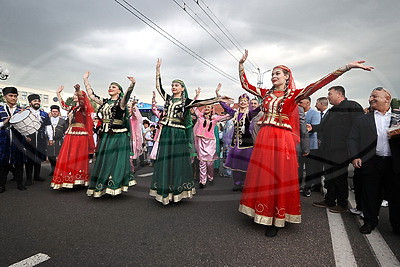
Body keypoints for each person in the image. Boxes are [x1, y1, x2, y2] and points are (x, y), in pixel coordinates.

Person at [238, 49, 373, 237]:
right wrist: (241, 65)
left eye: (277, 73)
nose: (273, 76)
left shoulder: (295, 94)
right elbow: (246, 85)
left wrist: (346, 67)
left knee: (279, 175)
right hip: (265, 137)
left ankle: (276, 218)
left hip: (281, 139)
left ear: (287, 77)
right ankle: (261, 211)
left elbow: (319, 83)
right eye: (272, 74)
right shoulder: (265, 93)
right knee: (263, 174)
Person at [150, 58, 223, 205]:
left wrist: (217, 98)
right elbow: (159, 88)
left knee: (177, 161)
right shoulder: (168, 99)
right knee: (165, 160)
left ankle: (177, 190)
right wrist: (158, 71)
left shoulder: (186, 102)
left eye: (176, 85)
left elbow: (201, 103)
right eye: (172, 85)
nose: (173, 87)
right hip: (166, 133)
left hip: (178, 133)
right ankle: (165, 189)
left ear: (182, 88)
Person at [348, 87, 400, 235]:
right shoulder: (362, 119)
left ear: (387, 98)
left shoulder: (398, 117)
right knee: (370, 194)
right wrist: (355, 156)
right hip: (371, 162)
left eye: (375, 96)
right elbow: (352, 139)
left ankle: (397, 225)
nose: (371, 99)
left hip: (393, 164)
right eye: (370, 96)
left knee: (396, 196)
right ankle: (369, 222)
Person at [310, 86, 364, 213]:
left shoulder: (352, 106)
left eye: (330, 94)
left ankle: (342, 203)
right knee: (329, 176)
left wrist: (355, 150)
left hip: (342, 150)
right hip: (328, 149)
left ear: (339, 94)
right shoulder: (332, 110)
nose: (328, 97)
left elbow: (358, 128)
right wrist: (311, 127)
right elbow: (322, 127)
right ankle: (329, 200)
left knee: (339, 176)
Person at [84, 72, 136, 197]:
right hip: (106, 134)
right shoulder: (105, 102)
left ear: (119, 91)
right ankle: (103, 184)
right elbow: (91, 96)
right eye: (110, 86)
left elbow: (127, 95)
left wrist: (132, 84)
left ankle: (115, 184)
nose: (110, 88)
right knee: (103, 159)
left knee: (114, 160)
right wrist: (85, 79)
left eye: (114, 87)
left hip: (118, 135)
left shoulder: (121, 103)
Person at [50, 84, 95, 189]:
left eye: (77, 94)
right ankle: (68, 178)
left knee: (77, 156)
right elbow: (63, 106)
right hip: (71, 133)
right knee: (69, 155)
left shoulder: (84, 108)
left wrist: (79, 91)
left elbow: (83, 102)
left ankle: (78, 179)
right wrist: (58, 93)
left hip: (80, 134)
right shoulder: (73, 108)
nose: (75, 95)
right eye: (75, 94)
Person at [219, 93, 260, 191]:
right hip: (235, 144)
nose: (243, 102)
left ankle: (245, 184)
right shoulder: (235, 113)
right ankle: (237, 183)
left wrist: (267, 97)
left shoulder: (250, 114)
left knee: (245, 165)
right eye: (241, 100)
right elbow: (225, 107)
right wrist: (219, 96)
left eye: (245, 101)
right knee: (235, 165)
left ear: (248, 103)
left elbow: (259, 109)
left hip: (246, 144)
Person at [193, 85, 229, 188]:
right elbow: (194, 107)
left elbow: (228, 116)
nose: (207, 108)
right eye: (206, 107)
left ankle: (211, 177)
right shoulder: (200, 116)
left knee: (209, 163)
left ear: (212, 109)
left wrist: (221, 99)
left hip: (210, 142)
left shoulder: (215, 118)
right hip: (200, 141)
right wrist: (196, 96)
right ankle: (202, 181)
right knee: (202, 162)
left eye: (209, 107)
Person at [0, 87, 27, 192]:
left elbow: (26, 126)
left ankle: (20, 184)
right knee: (3, 163)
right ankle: (2, 185)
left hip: (18, 140)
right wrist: (4, 123)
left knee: (19, 163)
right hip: (3, 140)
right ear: (5, 96)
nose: (13, 98)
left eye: (15, 96)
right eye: (10, 96)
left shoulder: (22, 110)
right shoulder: (0, 109)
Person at [25, 94, 51, 185]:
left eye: (38, 101)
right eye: (34, 101)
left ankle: (37, 176)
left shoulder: (44, 114)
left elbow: (48, 127)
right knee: (29, 158)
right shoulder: (25, 112)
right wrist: (24, 137)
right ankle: (29, 178)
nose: (37, 102)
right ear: (30, 102)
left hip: (41, 138)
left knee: (38, 158)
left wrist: (50, 138)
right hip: (29, 137)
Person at [298, 97, 321, 197]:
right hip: (298, 144)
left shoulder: (315, 114)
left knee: (309, 168)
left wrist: (304, 128)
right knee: (298, 167)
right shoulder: (296, 112)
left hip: (311, 145)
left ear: (308, 102)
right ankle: (297, 186)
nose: (299, 104)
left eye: (301, 102)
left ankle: (307, 187)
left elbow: (313, 128)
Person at [46, 105, 69, 176]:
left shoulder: (63, 121)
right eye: (53, 111)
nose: (54, 113)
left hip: (59, 141)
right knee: (50, 156)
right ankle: (53, 169)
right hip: (49, 141)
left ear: (59, 112)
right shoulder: (47, 120)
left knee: (59, 156)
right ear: (51, 112)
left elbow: (66, 131)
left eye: (56, 111)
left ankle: (59, 170)